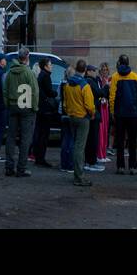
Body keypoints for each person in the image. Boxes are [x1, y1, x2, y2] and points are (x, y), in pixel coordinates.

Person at [3, 48, 39, 178]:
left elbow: (5, 90)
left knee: (11, 137)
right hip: (26, 105)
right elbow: (34, 92)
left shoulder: (10, 72)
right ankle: (21, 168)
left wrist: (7, 104)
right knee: (25, 138)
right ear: (27, 57)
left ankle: (9, 166)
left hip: (13, 105)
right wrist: (35, 108)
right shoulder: (29, 73)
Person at [61, 58, 95, 187]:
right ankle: (79, 176)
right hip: (83, 118)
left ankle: (77, 173)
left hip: (72, 116)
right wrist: (91, 114)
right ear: (85, 70)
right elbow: (89, 105)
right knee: (79, 147)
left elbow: (65, 102)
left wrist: (69, 111)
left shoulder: (68, 84)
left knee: (75, 145)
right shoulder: (84, 85)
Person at [109, 54, 137, 174]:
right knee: (132, 141)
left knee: (120, 140)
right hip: (132, 113)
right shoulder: (135, 76)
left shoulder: (115, 77)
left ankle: (120, 166)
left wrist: (112, 111)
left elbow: (112, 96)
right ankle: (133, 166)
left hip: (119, 113)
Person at [32, 58, 58, 168]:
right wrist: (55, 93)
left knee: (40, 133)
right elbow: (49, 91)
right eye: (50, 64)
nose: (51, 66)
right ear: (46, 66)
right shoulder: (46, 76)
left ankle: (38, 157)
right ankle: (41, 158)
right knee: (44, 134)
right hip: (45, 109)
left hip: (41, 108)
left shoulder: (41, 75)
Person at [84, 66, 105, 172]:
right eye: (93, 71)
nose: (95, 72)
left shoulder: (90, 81)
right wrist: (106, 87)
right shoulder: (90, 82)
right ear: (88, 71)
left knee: (91, 138)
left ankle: (90, 160)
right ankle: (91, 161)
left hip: (90, 113)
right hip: (92, 113)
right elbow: (98, 93)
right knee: (92, 138)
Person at [59, 66, 74, 173]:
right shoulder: (73, 85)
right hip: (71, 113)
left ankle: (63, 163)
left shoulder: (62, 84)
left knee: (65, 139)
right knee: (72, 140)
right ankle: (70, 164)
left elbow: (58, 98)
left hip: (63, 113)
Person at [96, 64, 112, 162]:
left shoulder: (109, 80)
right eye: (103, 69)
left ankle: (104, 153)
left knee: (106, 130)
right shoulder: (98, 81)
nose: (104, 71)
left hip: (106, 107)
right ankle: (100, 154)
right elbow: (99, 93)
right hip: (100, 107)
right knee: (101, 131)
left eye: (106, 69)